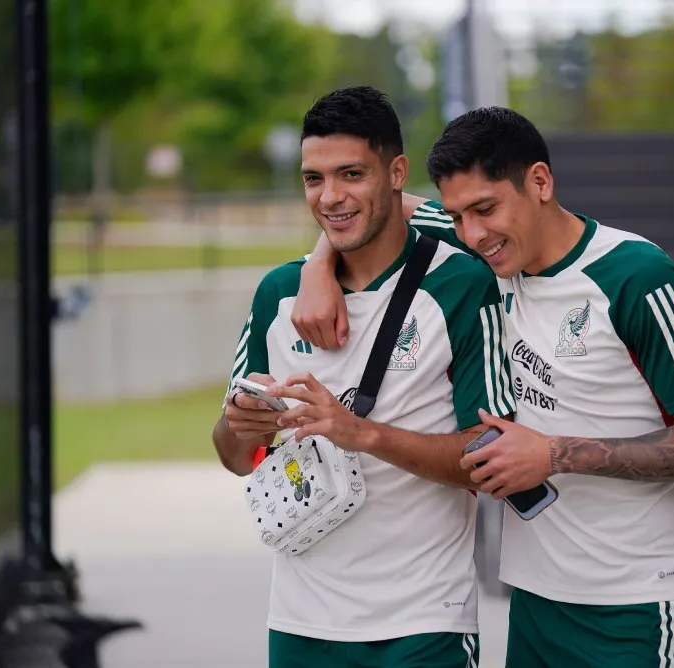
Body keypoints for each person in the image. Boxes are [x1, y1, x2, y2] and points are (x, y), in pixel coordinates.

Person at [291, 106, 674, 667]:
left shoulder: (637, 276)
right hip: (535, 598)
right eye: (457, 217)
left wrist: (553, 454)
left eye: (486, 209)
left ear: (540, 182)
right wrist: (317, 266)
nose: (472, 234)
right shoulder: (488, 252)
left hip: (641, 599)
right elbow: (376, 209)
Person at [213, 87, 516, 668]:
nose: (330, 197)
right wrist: (241, 425)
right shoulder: (279, 291)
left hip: (424, 621)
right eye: (313, 179)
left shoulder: (462, 283)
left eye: (352, 174)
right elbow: (234, 457)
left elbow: (489, 456)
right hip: (300, 622)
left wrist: (361, 433)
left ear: (397, 173)